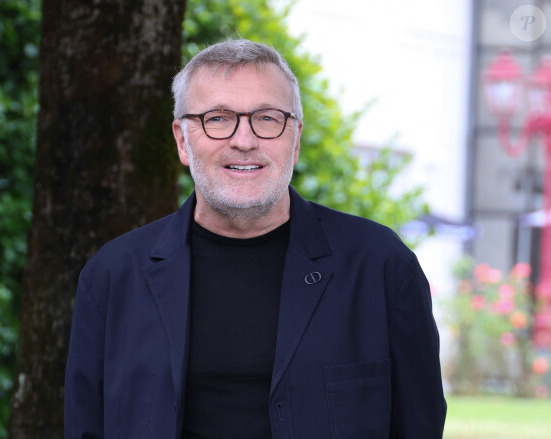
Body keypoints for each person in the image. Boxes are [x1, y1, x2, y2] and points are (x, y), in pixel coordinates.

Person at [64, 39, 446, 439]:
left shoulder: (381, 267)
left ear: (295, 139)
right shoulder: (112, 277)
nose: (244, 140)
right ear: (182, 139)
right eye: (218, 118)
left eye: (266, 119)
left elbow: (419, 425)